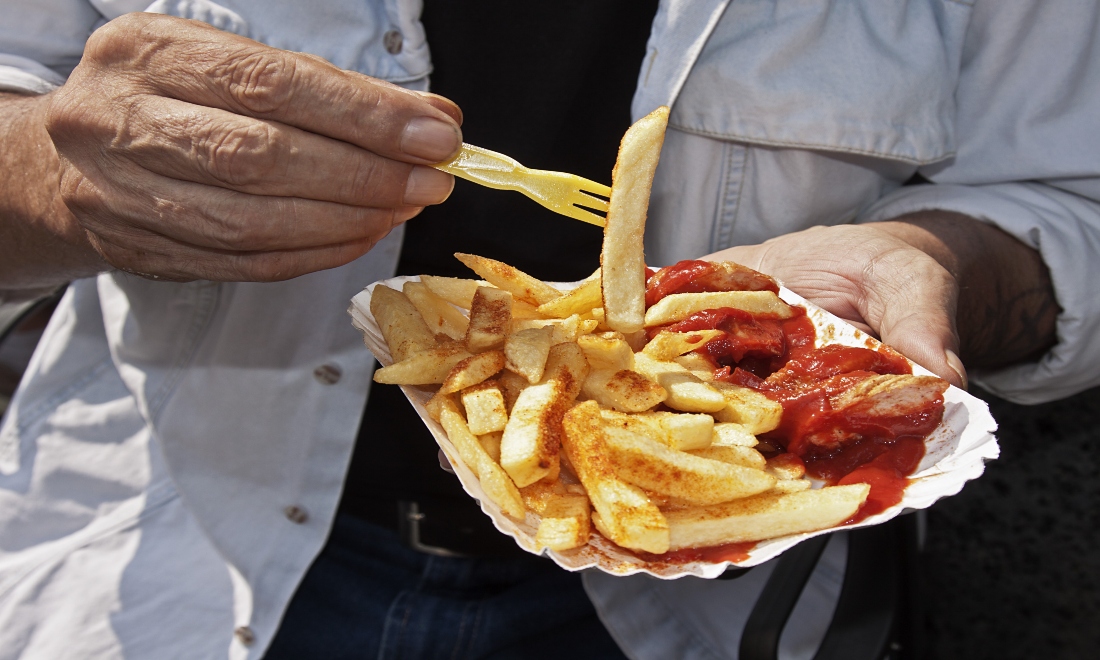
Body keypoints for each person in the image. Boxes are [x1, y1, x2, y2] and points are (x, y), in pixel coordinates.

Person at [0, 1, 1097, 658]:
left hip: (726, 619)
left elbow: (1069, 199)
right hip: (182, 567)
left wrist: (931, 256)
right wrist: (56, 172)